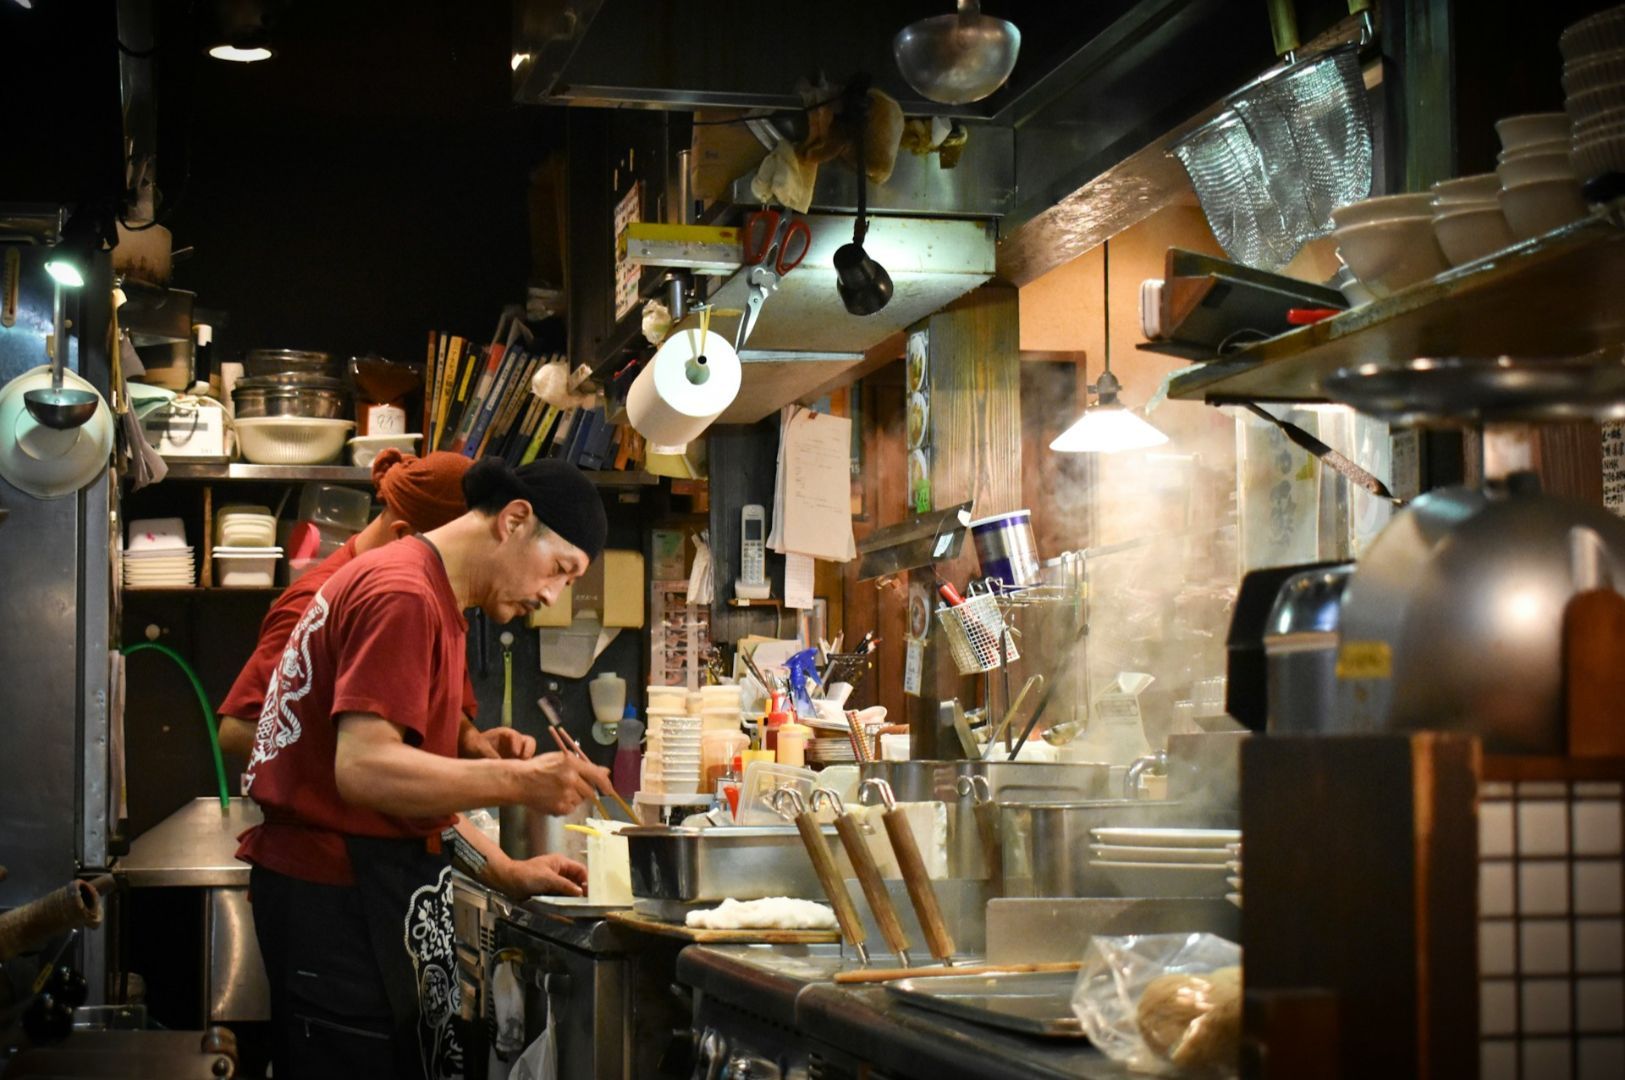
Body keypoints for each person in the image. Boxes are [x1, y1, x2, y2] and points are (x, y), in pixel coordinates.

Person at [237, 457, 614, 1080]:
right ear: (515, 520)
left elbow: (409, 796)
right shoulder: (404, 594)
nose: (552, 595)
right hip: (338, 906)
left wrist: (506, 873)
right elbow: (364, 770)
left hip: (364, 891)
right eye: (561, 570)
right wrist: (521, 780)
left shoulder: (433, 593)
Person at [217, 449, 529, 764]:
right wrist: (366, 762)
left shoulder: (438, 596)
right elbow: (239, 730)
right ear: (405, 536)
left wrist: (467, 739)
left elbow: (431, 703)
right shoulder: (317, 602)